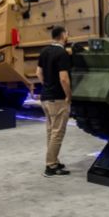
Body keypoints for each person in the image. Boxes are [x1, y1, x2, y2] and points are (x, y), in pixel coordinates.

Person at [35, 26, 72, 177]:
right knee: (57, 133)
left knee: (51, 132)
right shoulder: (61, 53)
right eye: (67, 33)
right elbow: (64, 78)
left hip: (45, 97)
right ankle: (50, 166)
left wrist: (47, 85)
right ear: (63, 35)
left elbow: (38, 73)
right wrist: (68, 95)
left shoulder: (44, 51)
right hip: (57, 98)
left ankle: (54, 161)